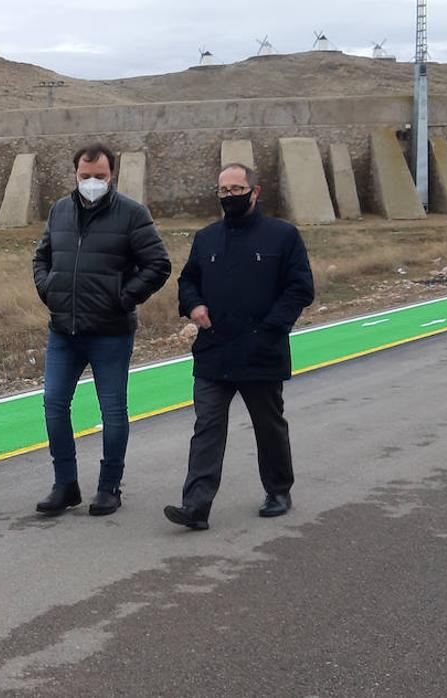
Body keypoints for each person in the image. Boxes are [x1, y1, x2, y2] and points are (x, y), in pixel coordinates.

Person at [164, 163, 315, 530]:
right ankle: (196, 507)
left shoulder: (283, 236)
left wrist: (270, 330)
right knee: (207, 429)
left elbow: (300, 288)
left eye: (236, 189)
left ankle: (278, 490)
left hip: (262, 352)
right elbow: (188, 281)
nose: (230, 197)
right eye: (223, 191)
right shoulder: (207, 239)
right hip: (214, 351)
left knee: (269, 427)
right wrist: (194, 304)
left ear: (255, 191)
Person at [32, 143, 172, 517]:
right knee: (54, 406)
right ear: (74, 174)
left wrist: (123, 298)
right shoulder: (59, 210)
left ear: (112, 176)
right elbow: (42, 256)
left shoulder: (131, 213)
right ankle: (65, 485)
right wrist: (49, 289)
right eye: (85, 176)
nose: (92, 182)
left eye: (99, 177)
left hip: (111, 333)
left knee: (112, 411)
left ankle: (109, 487)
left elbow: (158, 264)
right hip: (64, 331)